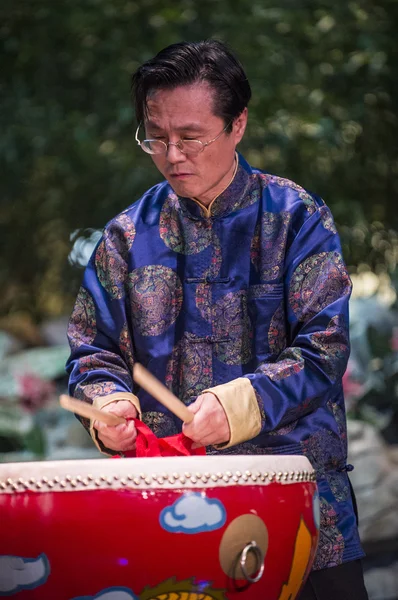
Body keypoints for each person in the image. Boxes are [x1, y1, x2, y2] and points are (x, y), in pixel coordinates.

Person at [66, 40, 368, 599]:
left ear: (238, 125)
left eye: (191, 137)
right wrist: (107, 405)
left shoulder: (297, 218)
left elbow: (323, 347)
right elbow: (94, 352)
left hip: (298, 510)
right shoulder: (125, 239)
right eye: (156, 137)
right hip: (170, 515)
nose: (172, 154)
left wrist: (239, 405)